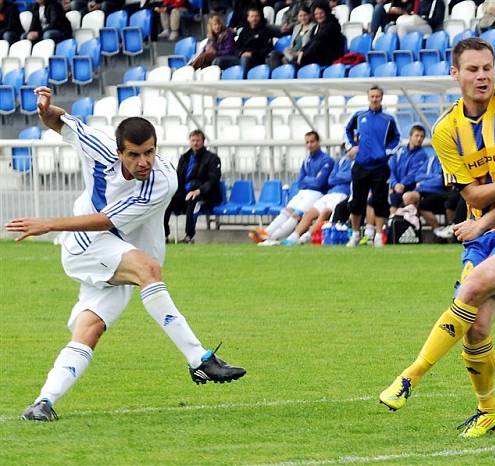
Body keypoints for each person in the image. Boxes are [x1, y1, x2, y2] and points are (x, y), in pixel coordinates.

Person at [7, 87, 245, 422]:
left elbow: (108, 219)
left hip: (114, 246)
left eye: (149, 152)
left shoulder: (162, 180)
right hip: (87, 243)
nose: (143, 161)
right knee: (147, 269)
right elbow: (58, 122)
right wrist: (45, 109)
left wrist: (49, 224)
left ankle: (42, 402)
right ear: (119, 151)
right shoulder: (98, 147)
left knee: (90, 329)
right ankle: (200, 360)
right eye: (134, 154)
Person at [377, 37, 495, 438]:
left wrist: (482, 220)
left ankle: (410, 377)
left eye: (487, 68)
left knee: (470, 289)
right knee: (476, 329)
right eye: (472, 69)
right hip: (483, 235)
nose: (482, 76)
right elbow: (471, 194)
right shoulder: (445, 130)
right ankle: (488, 410)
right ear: (455, 74)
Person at [250, 131, 335, 245]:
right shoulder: (307, 160)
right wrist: (311, 179)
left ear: (318, 142)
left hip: (317, 193)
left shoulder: (326, 160)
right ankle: (266, 233)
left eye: (312, 142)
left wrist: (307, 179)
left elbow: (319, 183)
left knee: (296, 215)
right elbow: (300, 181)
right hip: (303, 192)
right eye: (307, 142)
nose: (309, 145)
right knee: (286, 212)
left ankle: (274, 238)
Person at [344, 85, 401, 248]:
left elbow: (396, 139)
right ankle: (355, 234)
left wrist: (386, 152)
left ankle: (378, 235)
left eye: (377, 96)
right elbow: (346, 131)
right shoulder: (359, 116)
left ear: (381, 98)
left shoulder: (388, 119)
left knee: (380, 201)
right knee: (356, 201)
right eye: (372, 96)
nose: (375, 99)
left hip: (380, 167)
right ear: (368, 98)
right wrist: (351, 147)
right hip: (361, 165)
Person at [282, 149, 354, 245]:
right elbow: (330, 179)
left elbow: (350, 176)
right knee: (309, 213)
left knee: (325, 212)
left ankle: (307, 236)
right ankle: (293, 237)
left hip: (343, 194)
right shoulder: (341, 161)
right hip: (330, 193)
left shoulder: (357, 162)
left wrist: (338, 177)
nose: (347, 151)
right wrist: (340, 177)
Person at [163, 130, 222, 244]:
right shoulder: (184, 158)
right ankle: (164, 235)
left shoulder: (212, 158)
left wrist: (198, 191)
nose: (195, 143)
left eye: (198, 140)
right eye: (193, 140)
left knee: (193, 199)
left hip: (204, 195)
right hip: (185, 192)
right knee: (167, 200)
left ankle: (189, 236)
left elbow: (213, 181)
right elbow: (178, 177)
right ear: (189, 142)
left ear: (203, 142)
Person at [402, 147, 461, 239]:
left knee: (424, 205)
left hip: (437, 191)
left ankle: (447, 230)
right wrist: (428, 179)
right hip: (422, 190)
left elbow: (440, 180)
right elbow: (417, 176)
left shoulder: (448, 161)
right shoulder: (431, 160)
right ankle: (414, 227)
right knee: (407, 196)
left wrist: (424, 180)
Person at [214, 7, 275, 73]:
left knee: (245, 59)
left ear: (260, 17)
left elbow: (268, 49)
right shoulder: (244, 31)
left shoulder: (265, 31)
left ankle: (243, 81)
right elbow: (236, 47)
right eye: (252, 16)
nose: (254, 18)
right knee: (218, 61)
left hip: (256, 59)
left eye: (256, 16)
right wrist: (241, 53)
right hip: (241, 57)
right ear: (248, 18)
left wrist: (252, 54)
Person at [388, 124, 427, 212]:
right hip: (396, 187)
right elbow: (391, 169)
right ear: (410, 136)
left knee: (396, 201)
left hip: (411, 188)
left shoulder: (422, 155)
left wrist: (402, 184)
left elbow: (415, 173)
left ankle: (393, 223)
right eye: (417, 135)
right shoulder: (399, 151)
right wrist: (395, 184)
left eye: (422, 136)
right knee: (372, 200)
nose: (419, 139)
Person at [297, 0, 345, 67]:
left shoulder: (333, 24)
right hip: (318, 56)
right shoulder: (316, 27)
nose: (319, 16)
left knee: (317, 44)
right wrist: (302, 50)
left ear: (326, 12)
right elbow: (311, 41)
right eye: (316, 14)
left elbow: (319, 39)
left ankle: (299, 61)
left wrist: (303, 54)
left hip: (331, 56)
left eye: (321, 13)